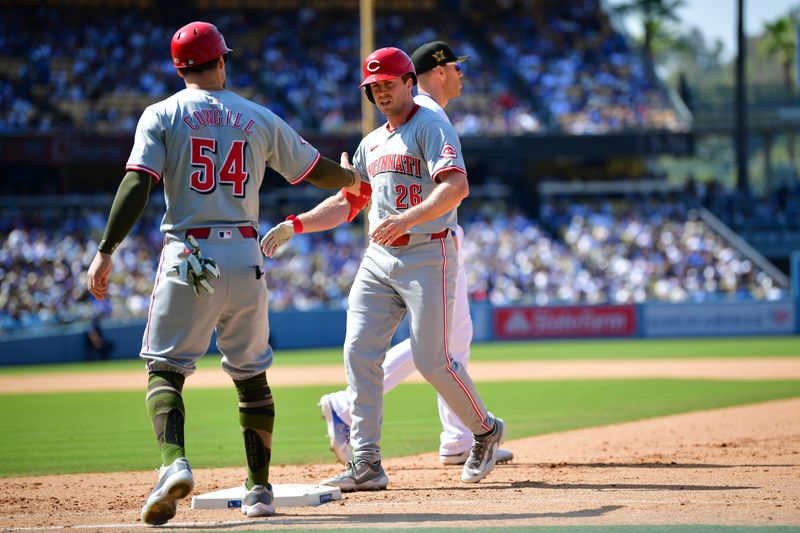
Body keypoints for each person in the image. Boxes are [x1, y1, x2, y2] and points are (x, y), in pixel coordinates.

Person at [86, 21, 360, 526]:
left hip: (191, 254)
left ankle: (173, 464)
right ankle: (259, 491)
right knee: (251, 376)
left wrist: (106, 249)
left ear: (177, 67)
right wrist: (352, 178)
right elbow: (313, 168)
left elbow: (137, 183)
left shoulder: (161, 114)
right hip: (246, 250)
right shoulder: (256, 115)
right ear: (222, 61)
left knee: (165, 369)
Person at [261, 46, 506, 491]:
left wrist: (409, 218)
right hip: (379, 260)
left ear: (410, 82)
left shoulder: (431, 125)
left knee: (433, 360)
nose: (380, 93)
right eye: (373, 87)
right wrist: (296, 224)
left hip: (429, 253)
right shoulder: (371, 142)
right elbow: (348, 202)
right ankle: (367, 462)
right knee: (358, 353)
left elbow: (457, 186)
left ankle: (486, 431)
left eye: (388, 84)